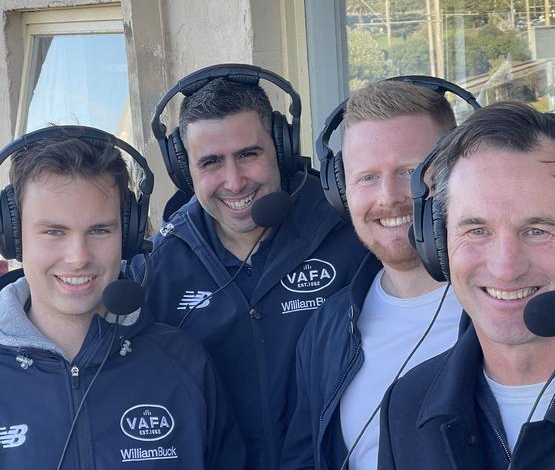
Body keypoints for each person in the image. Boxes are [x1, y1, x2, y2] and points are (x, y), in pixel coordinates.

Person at [378, 101, 555, 469]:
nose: (506, 268)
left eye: (536, 230)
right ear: (437, 244)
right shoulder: (406, 407)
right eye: (476, 230)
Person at [129, 67, 367, 470]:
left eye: (248, 154)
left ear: (282, 146)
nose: (234, 182)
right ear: (185, 170)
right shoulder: (155, 270)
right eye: (210, 163)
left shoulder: (353, 237)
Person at [0, 127, 245, 469]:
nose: (78, 256)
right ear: (14, 238)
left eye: (100, 230)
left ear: (128, 235)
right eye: (54, 231)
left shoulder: (185, 363)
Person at [280, 80, 464, 470]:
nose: (389, 197)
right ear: (339, 190)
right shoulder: (327, 329)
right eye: (366, 177)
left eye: (411, 172)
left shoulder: (510, 306)